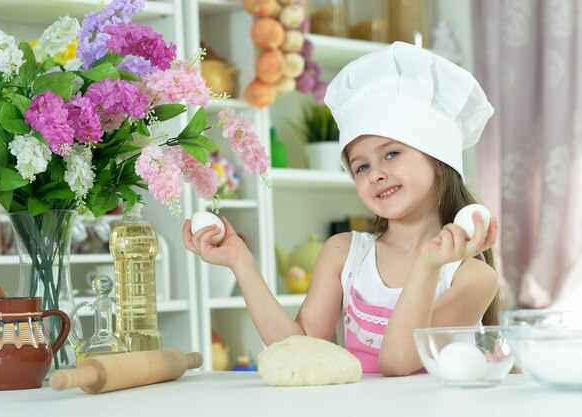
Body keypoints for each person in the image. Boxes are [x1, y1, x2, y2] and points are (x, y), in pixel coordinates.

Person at [183, 41, 501, 376]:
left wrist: (427, 265)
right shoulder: (343, 254)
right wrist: (241, 262)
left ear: (439, 159)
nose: (375, 173)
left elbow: (398, 363)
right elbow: (300, 350)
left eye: (391, 153)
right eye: (361, 167)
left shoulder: (472, 277)